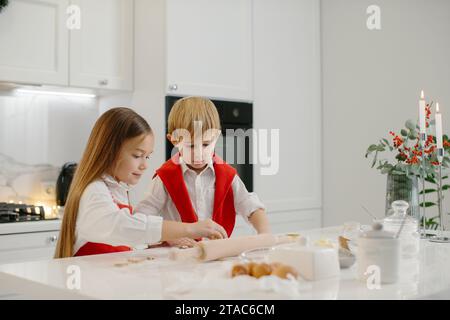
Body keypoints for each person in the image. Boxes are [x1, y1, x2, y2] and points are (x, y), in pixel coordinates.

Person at [54, 107, 227, 258]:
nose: (144, 165)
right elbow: (120, 226)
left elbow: (124, 241)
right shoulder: (94, 190)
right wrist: (189, 229)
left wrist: (159, 240)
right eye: (137, 156)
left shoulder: (117, 190)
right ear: (109, 151)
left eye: (147, 156)